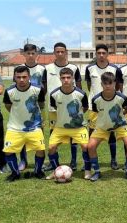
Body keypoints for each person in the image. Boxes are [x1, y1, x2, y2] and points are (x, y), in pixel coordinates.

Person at [87, 72, 127, 182]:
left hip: (120, 125)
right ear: (101, 84)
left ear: (114, 83)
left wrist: (119, 116)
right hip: (102, 126)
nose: (108, 86)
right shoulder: (95, 99)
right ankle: (97, 172)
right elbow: (96, 111)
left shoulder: (122, 98)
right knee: (91, 146)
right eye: (105, 83)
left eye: (110, 83)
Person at [3, 66, 46, 182]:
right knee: (8, 151)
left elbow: (41, 105)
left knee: (40, 150)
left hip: (34, 127)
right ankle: (15, 173)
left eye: (24, 77)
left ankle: (38, 171)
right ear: (14, 78)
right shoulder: (9, 91)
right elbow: (8, 106)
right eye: (18, 77)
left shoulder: (38, 89)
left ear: (29, 77)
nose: (21, 80)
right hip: (14, 127)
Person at [46, 68, 91, 180]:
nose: (66, 80)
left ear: (73, 79)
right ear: (60, 78)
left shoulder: (81, 94)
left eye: (68, 77)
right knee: (51, 147)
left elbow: (85, 108)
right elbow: (56, 108)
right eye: (63, 78)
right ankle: (55, 170)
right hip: (60, 127)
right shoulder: (54, 94)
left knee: (86, 147)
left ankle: (87, 170)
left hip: (78, 127)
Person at [44, 42, 82, 172]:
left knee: (74, 134)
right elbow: (44, 87)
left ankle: (74, 161)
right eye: (57, 52)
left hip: (72, 107)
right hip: (54, 108)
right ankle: (54, 161)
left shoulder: (74, 68)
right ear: (54, 53)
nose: (60, 54)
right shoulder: (48, 68)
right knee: (54, 134)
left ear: (66, 52)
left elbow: (79, 85)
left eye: (62, 51)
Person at [85, 44, 123, 170]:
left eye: (103, 53)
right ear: (96, 54)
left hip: (110, 106)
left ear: (107, 54)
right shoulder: (89, 68)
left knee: (111, 132)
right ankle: (90, 160)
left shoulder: (115, 69)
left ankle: (113, 160)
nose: (101, 55)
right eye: (99, 53)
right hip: (94, 106)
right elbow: (90, 86)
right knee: (92, 133)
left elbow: (117, 86)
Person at [17, 43, 47, 171]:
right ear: (24, 54)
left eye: (33, 53)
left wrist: (39, 100)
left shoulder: (42, 69)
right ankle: (23, 160)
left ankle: (39, 160)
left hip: (38, 106)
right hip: (23, 106)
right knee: (22, 132)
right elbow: (17, 86)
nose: (30, 56)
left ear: (36, 54)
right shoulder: (20, 68)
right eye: (28, 53)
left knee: (38, 133)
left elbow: (44, 87)